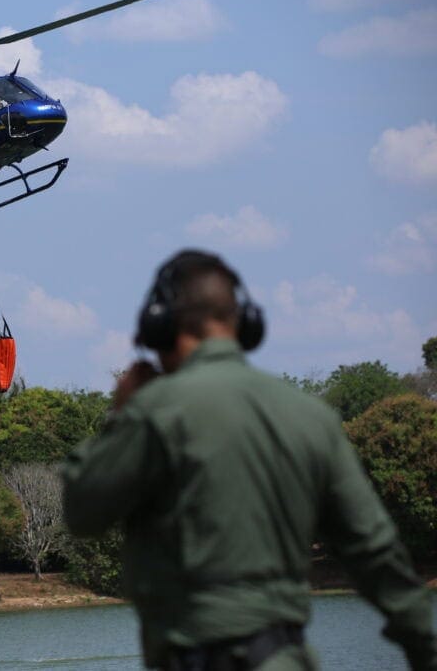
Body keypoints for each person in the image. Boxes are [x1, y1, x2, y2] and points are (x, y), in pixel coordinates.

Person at [61, 249, 436, 671]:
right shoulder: (312, 417)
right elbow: (377, 554)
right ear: (244, 324)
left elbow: (82, 511)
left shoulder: (155, 413)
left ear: (161, 325)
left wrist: (121, 415)